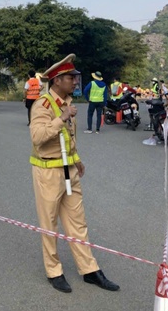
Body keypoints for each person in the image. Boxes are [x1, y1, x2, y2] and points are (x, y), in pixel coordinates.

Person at [29, 53, 119, 294]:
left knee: (78, 223)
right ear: (57, 80)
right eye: (71, 78)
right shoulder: (43, 105)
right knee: (49, 224)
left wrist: (77, 159)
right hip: (48, 172)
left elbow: (67, 137)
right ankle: (53, 271)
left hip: (69, 169)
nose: (76, 82)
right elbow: (38, 138)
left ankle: (89, 269)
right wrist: (60, 118)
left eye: (76, 77)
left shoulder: (66, 103)